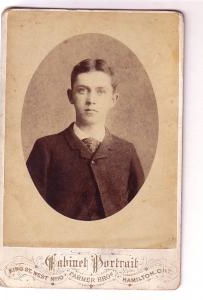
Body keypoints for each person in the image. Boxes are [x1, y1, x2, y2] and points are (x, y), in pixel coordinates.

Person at [26, 58, 144, 221]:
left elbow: (140, 214)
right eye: (82, 90)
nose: (91, 100)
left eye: (100, 91)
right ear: (70, 96)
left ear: (113, 99)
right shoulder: (46, 149)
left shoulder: (127, 152)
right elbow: (30, 212)